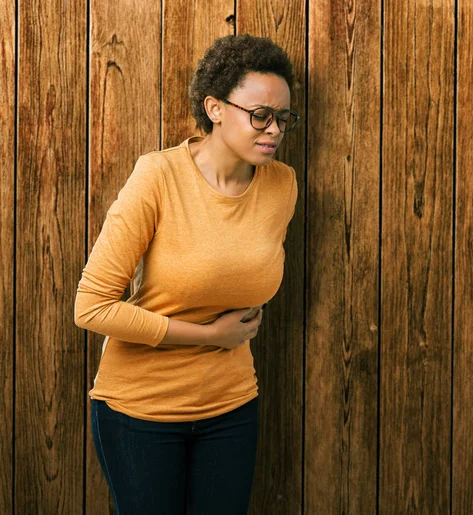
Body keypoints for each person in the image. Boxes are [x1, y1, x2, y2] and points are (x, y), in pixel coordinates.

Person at [74, 33, 299, 514]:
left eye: (283, 118)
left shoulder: (282, 185)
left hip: (232, 406)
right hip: (141, 411)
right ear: (214, 108)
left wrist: (220, 341)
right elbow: (91, 308)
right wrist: (208, 335)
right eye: (261, 115)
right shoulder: (158, 176)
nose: (274, 129)